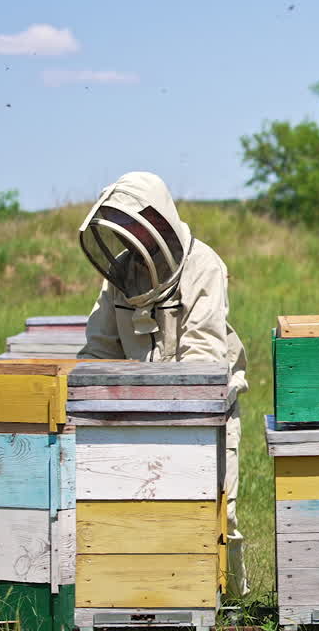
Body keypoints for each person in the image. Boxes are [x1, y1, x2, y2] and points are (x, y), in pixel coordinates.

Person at [76, 171, 250, 598]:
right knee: (145, 518)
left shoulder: (203, 265)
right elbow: (99, 349)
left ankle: (230, 601)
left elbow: (203, 358)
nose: (134, 236)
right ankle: (157, 601)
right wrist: (82, 398)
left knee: (214, 512)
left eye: (139, 223)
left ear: (160, 218)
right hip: (139, 417)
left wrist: (168, 408)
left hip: (205, 412)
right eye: (126, 227)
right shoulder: (120, 273)